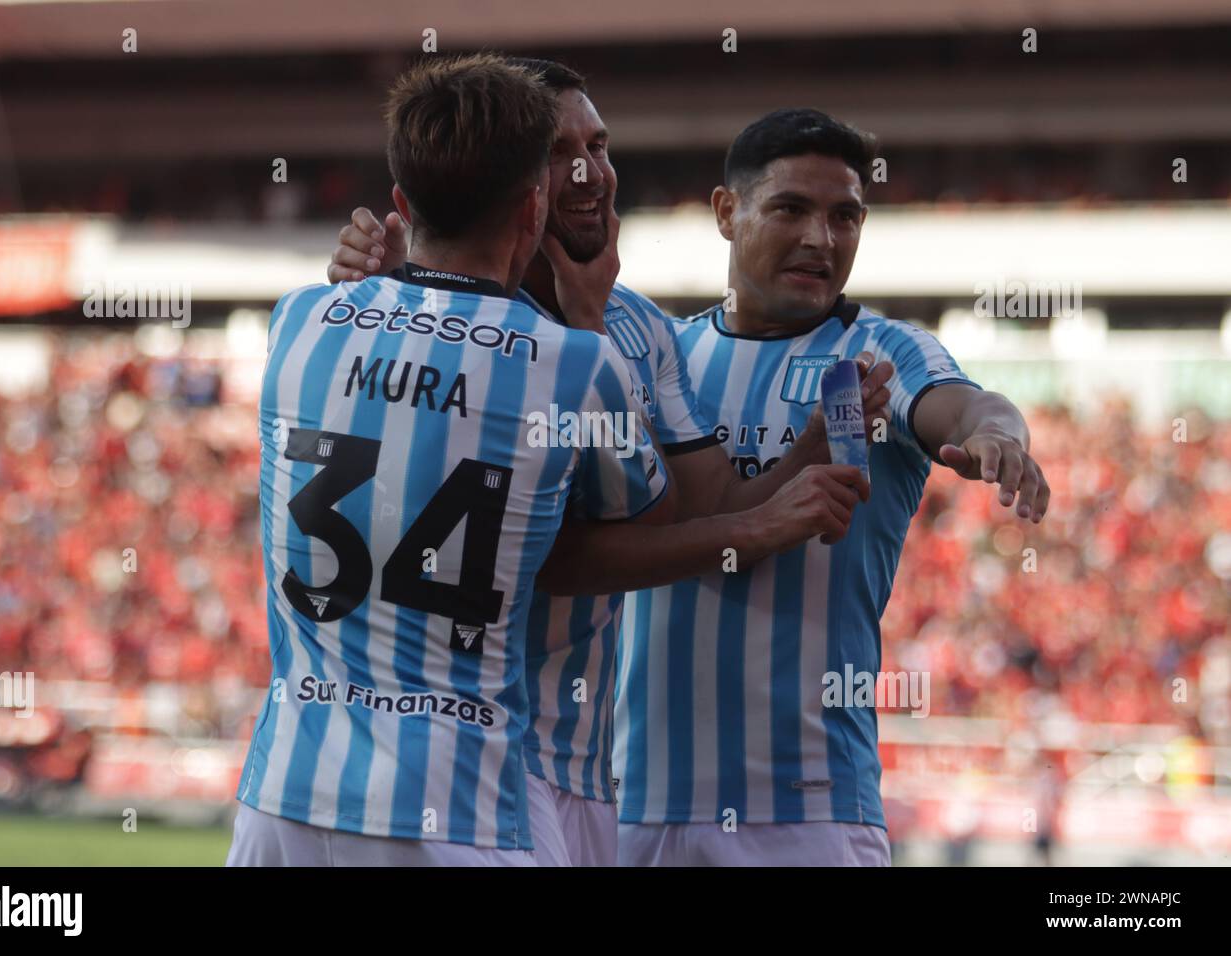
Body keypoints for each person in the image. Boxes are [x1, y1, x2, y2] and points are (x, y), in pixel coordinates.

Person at [328, 61, 883, 865]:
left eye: (600, 144)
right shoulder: (439, 315)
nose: (593, 174)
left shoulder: (641, 328)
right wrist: (762, 524)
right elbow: (556, 550)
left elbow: (704, 506)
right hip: (475, 753)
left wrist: (801, 460)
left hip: (587, 772)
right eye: (562, 152)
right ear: (515, 182)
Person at [228, 53, 669, 866]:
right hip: (457, 804)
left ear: (401, 201)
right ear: (533, 206)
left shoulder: (297, 320)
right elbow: (649, 518)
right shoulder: (579, 363)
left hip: (285, 792)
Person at [614, 108, 1050, 866]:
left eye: (845, 216)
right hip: (636, 808)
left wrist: (997, 437)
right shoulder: (661, 358)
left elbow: (971, 403)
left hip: (808, 816)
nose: (823, 238)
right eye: (791, 208)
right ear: (727, 212)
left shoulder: (880, 352)